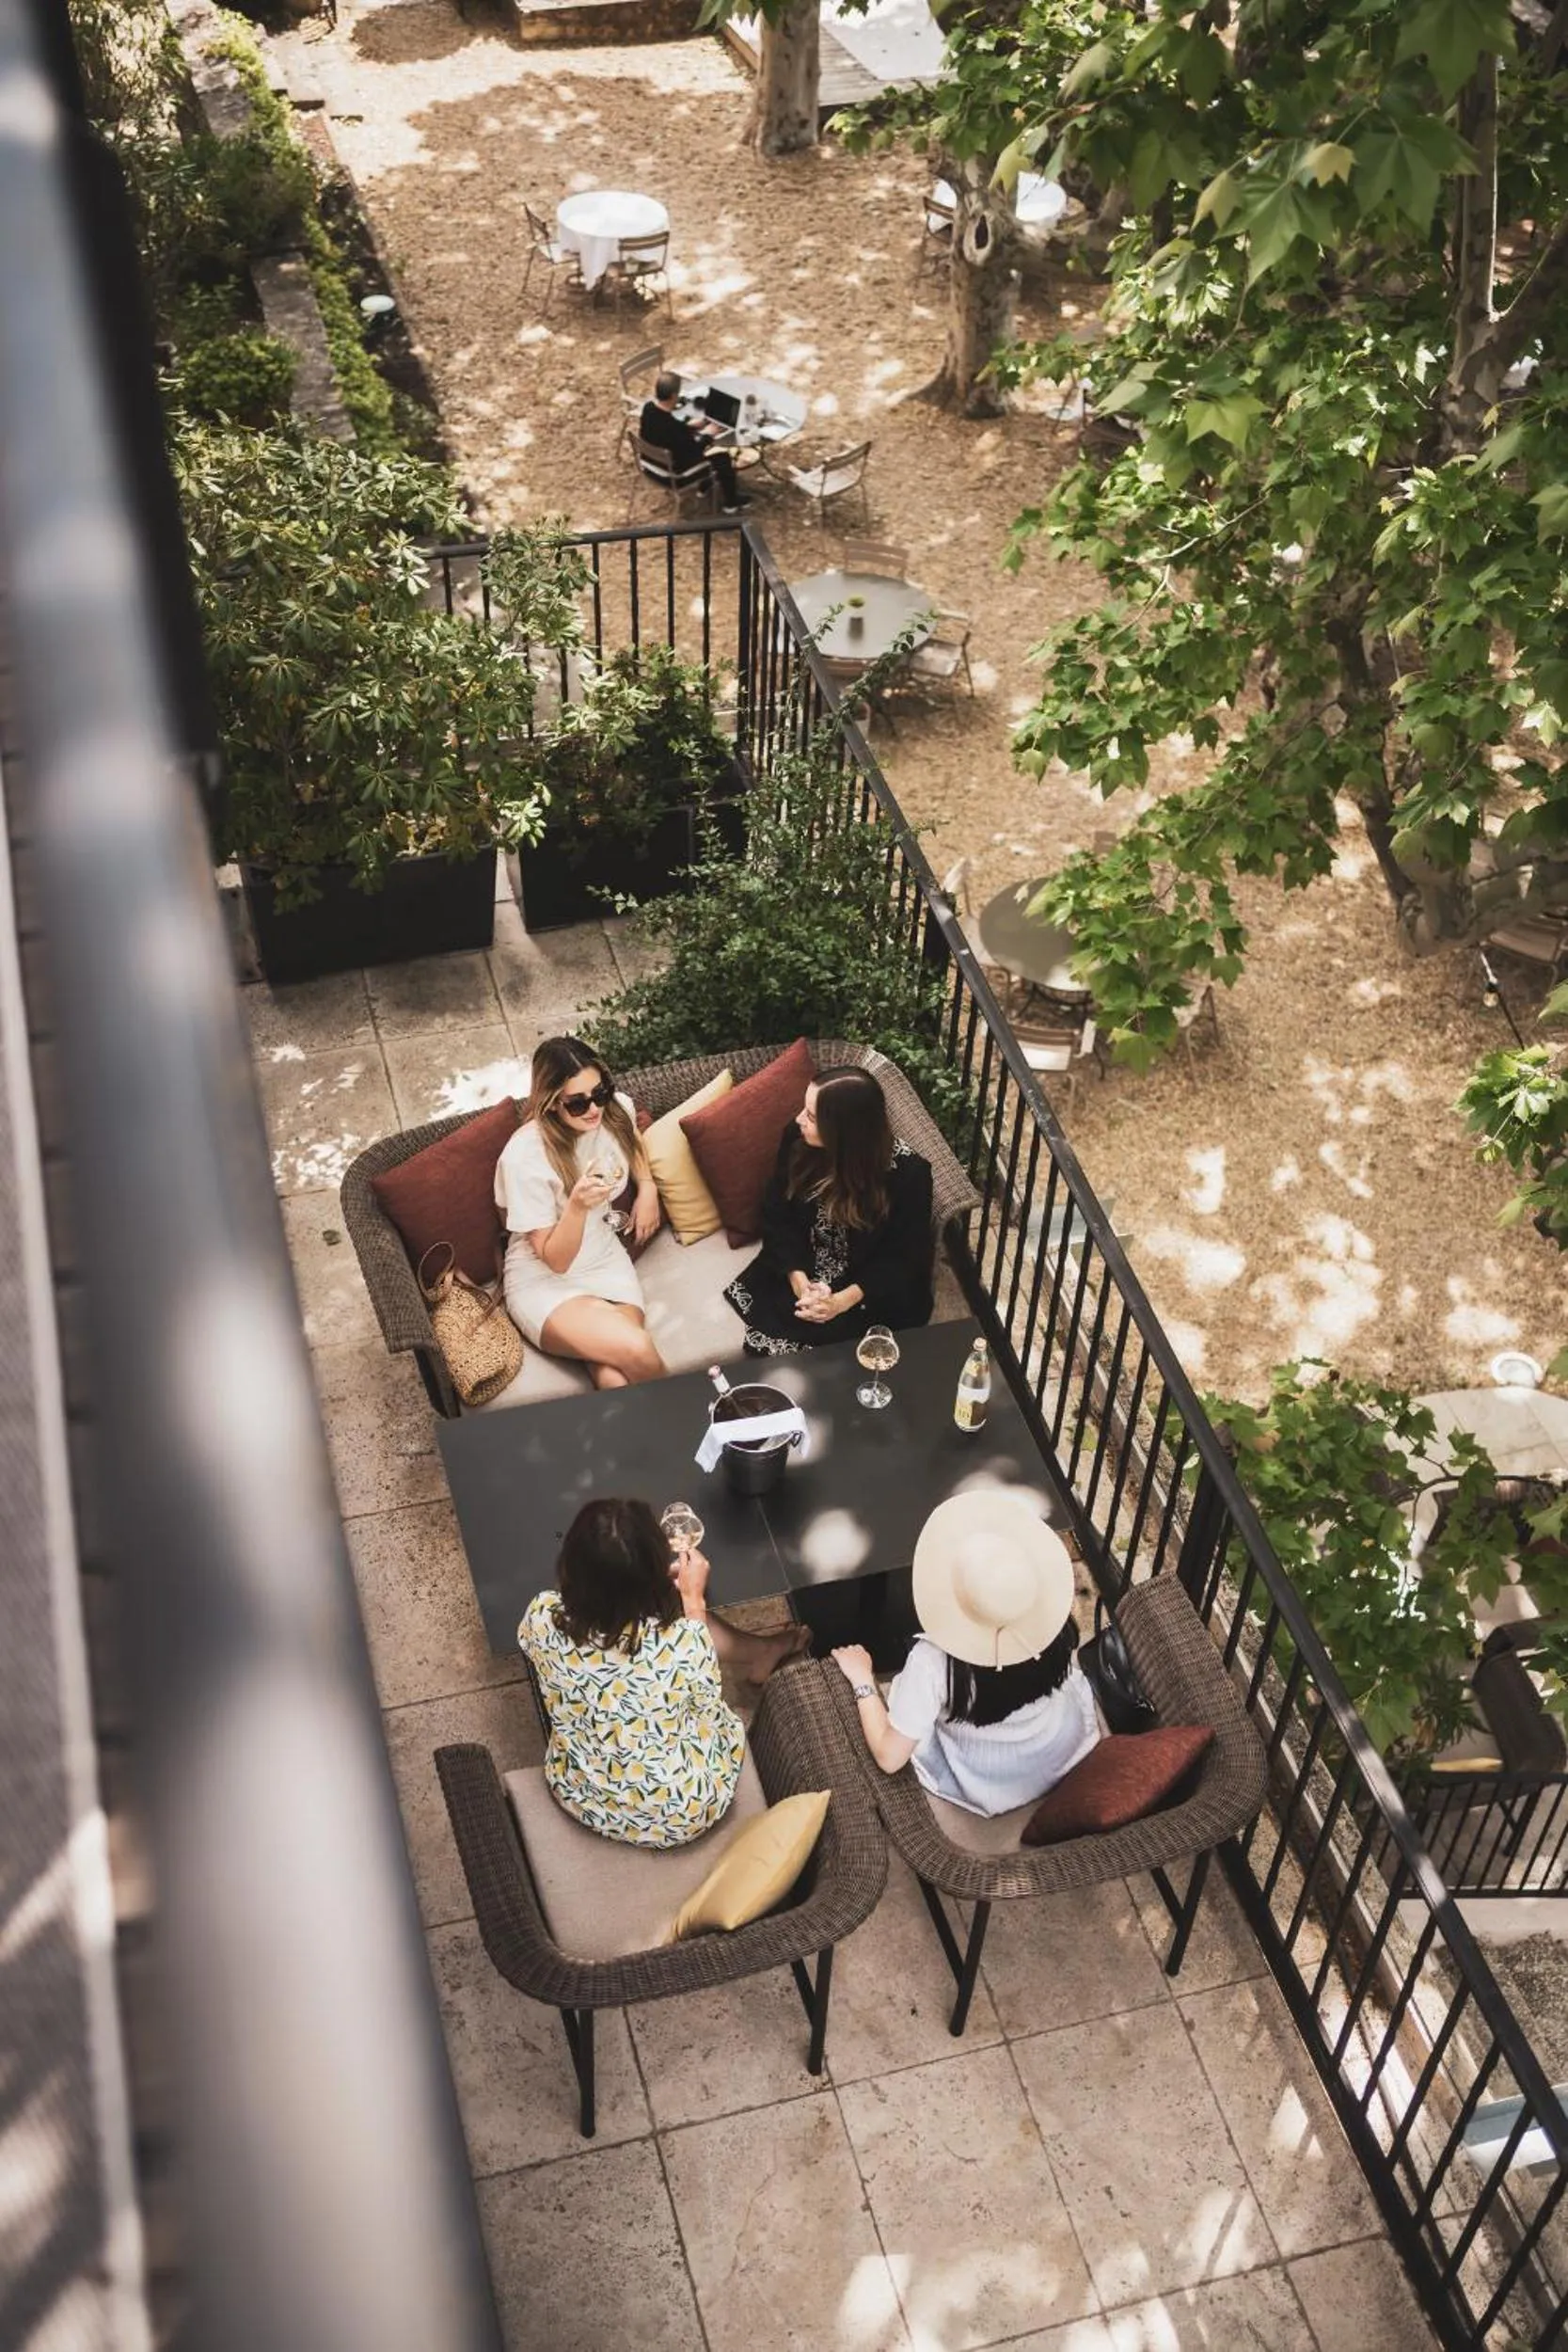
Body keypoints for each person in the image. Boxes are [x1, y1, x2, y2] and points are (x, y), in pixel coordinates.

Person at [518, 1498, 808, 1848]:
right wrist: (693, 1600)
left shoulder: (542, 1616)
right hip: (684, 1810)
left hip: (585, 1797)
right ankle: (766, 1651)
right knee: (698, 1697)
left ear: (570, 1564)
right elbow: (705, 1702)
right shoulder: (681, 1644)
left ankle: (764, 1651)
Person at [831, 1491, 1099, 1817]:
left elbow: (890, 1757)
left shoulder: (934, 1663)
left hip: (989, 1776)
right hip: (1055, 1744)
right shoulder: (1046, 1616)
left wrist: (862, 1679)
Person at [723, 1065, 934, 1357]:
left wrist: (842, 1301)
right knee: (771, 1354)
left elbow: (905, 1258)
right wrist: (799, 1282)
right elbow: (776, 1212)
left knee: (850, 1369)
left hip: (869, 1291)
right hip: (803, 1267)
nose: (799, 1119)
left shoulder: (909, 1175)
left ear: (845, 1130)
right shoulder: (798, 1139)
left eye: (810, 1116)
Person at [494, 1035, 665, 1390]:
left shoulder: (615, 1110)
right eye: (577, 1103)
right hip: (544, 1278)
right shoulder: (525, 1157)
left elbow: (629, 1142)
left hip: (605, 1258)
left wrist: (646, 1185)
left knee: (614, 1377)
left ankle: (648, 1444)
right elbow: (555, 1261)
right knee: (637, 1346)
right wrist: (576, 1206)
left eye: (599, 1093)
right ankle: (702, 1427)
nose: (594, 1109)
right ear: (552, 1103)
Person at [640, 370, 747, 514]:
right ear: (673, 396)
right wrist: (709, 434)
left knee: (710, 454)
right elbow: (694, 450)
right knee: (722, 458)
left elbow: (668, 430)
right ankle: (731, 503)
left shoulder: (649, 409)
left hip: (650, 466)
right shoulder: (673, 429)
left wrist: (690, 426)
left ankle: (705, 486)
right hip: (674, 476)